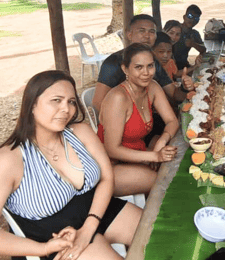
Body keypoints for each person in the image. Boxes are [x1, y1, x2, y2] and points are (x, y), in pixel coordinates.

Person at [0, 70, 141, 260]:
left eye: (71, 101)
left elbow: (107, 178)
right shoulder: (10, 159)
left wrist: (90, 226)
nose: (66, 109)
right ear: (32, 104)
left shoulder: (80, 132)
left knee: (159, 234)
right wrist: (43, 248)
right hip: (52, 238)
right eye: (56, 100)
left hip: (96, 211)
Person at [97, 44, 179, 197]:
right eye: (139, 67)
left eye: (150, 66)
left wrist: (161, 142)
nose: (146, 73)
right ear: (125, 69)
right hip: (109, 166)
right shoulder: (118, 98)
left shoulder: (152, 87)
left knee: (175, 168)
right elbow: (112, 149)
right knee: (165, 182)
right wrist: (154, 156)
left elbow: (172, 121)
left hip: (138, 155)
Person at [92, 15, 193, 113]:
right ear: (129, 35)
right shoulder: (113, 62)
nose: (147, 36)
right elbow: (98, 103)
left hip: (149, 119)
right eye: (141, 31)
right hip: (121, 122)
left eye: (152, 32)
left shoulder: (153, 62)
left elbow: (175, 95)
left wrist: (184, 88)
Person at [172, 4, 207, 70]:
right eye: (190, 16)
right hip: (170, 66)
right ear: (184, 17)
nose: (192, 20)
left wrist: (193, 44)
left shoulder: (194, 34)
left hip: (184, 65)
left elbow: (204, 49)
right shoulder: (175, 29)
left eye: (196, 18)